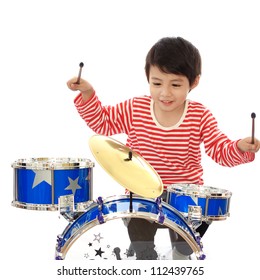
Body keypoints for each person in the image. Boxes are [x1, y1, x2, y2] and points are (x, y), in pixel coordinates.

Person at [67, 37, 259, 260]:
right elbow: (103, 122)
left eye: (175, 85)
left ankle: (180, 254)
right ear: (147, 78)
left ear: (194, 82)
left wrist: (241, 148)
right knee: (142, 244)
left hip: (183, 197)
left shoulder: (200, 115)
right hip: (141, 194)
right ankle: (144, 256)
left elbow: (219, 149)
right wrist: (88, 94)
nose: (165, 93)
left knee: (185, 249)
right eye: (157, 83)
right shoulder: (135, 108)